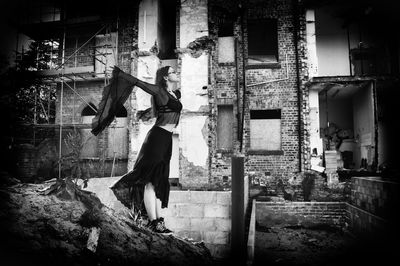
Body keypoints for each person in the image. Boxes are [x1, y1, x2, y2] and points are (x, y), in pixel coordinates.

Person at [107, 65, 182, 234]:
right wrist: (122, 74)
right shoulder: (159, 91)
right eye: (173, 72)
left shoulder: (174, 94)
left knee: (159, 180)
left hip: (166, 140)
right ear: (165, 77)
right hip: (157, 138)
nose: (176, 73)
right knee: (150, 180)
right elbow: (140, 83)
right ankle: (154, 222)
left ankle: (158, 222)